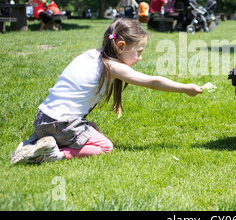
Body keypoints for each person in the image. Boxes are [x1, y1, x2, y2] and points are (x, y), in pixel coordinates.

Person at [10, 18, 203, 165]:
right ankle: (54, 154)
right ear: (121, 46)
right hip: (60, 124)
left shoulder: (90, 55)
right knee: (104, 146)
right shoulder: (111, 66)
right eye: (139, 52)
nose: (140, 58)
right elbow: (151, 81)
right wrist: (185, 88)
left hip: (42, 119)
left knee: (91, 127)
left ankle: (33, 145)